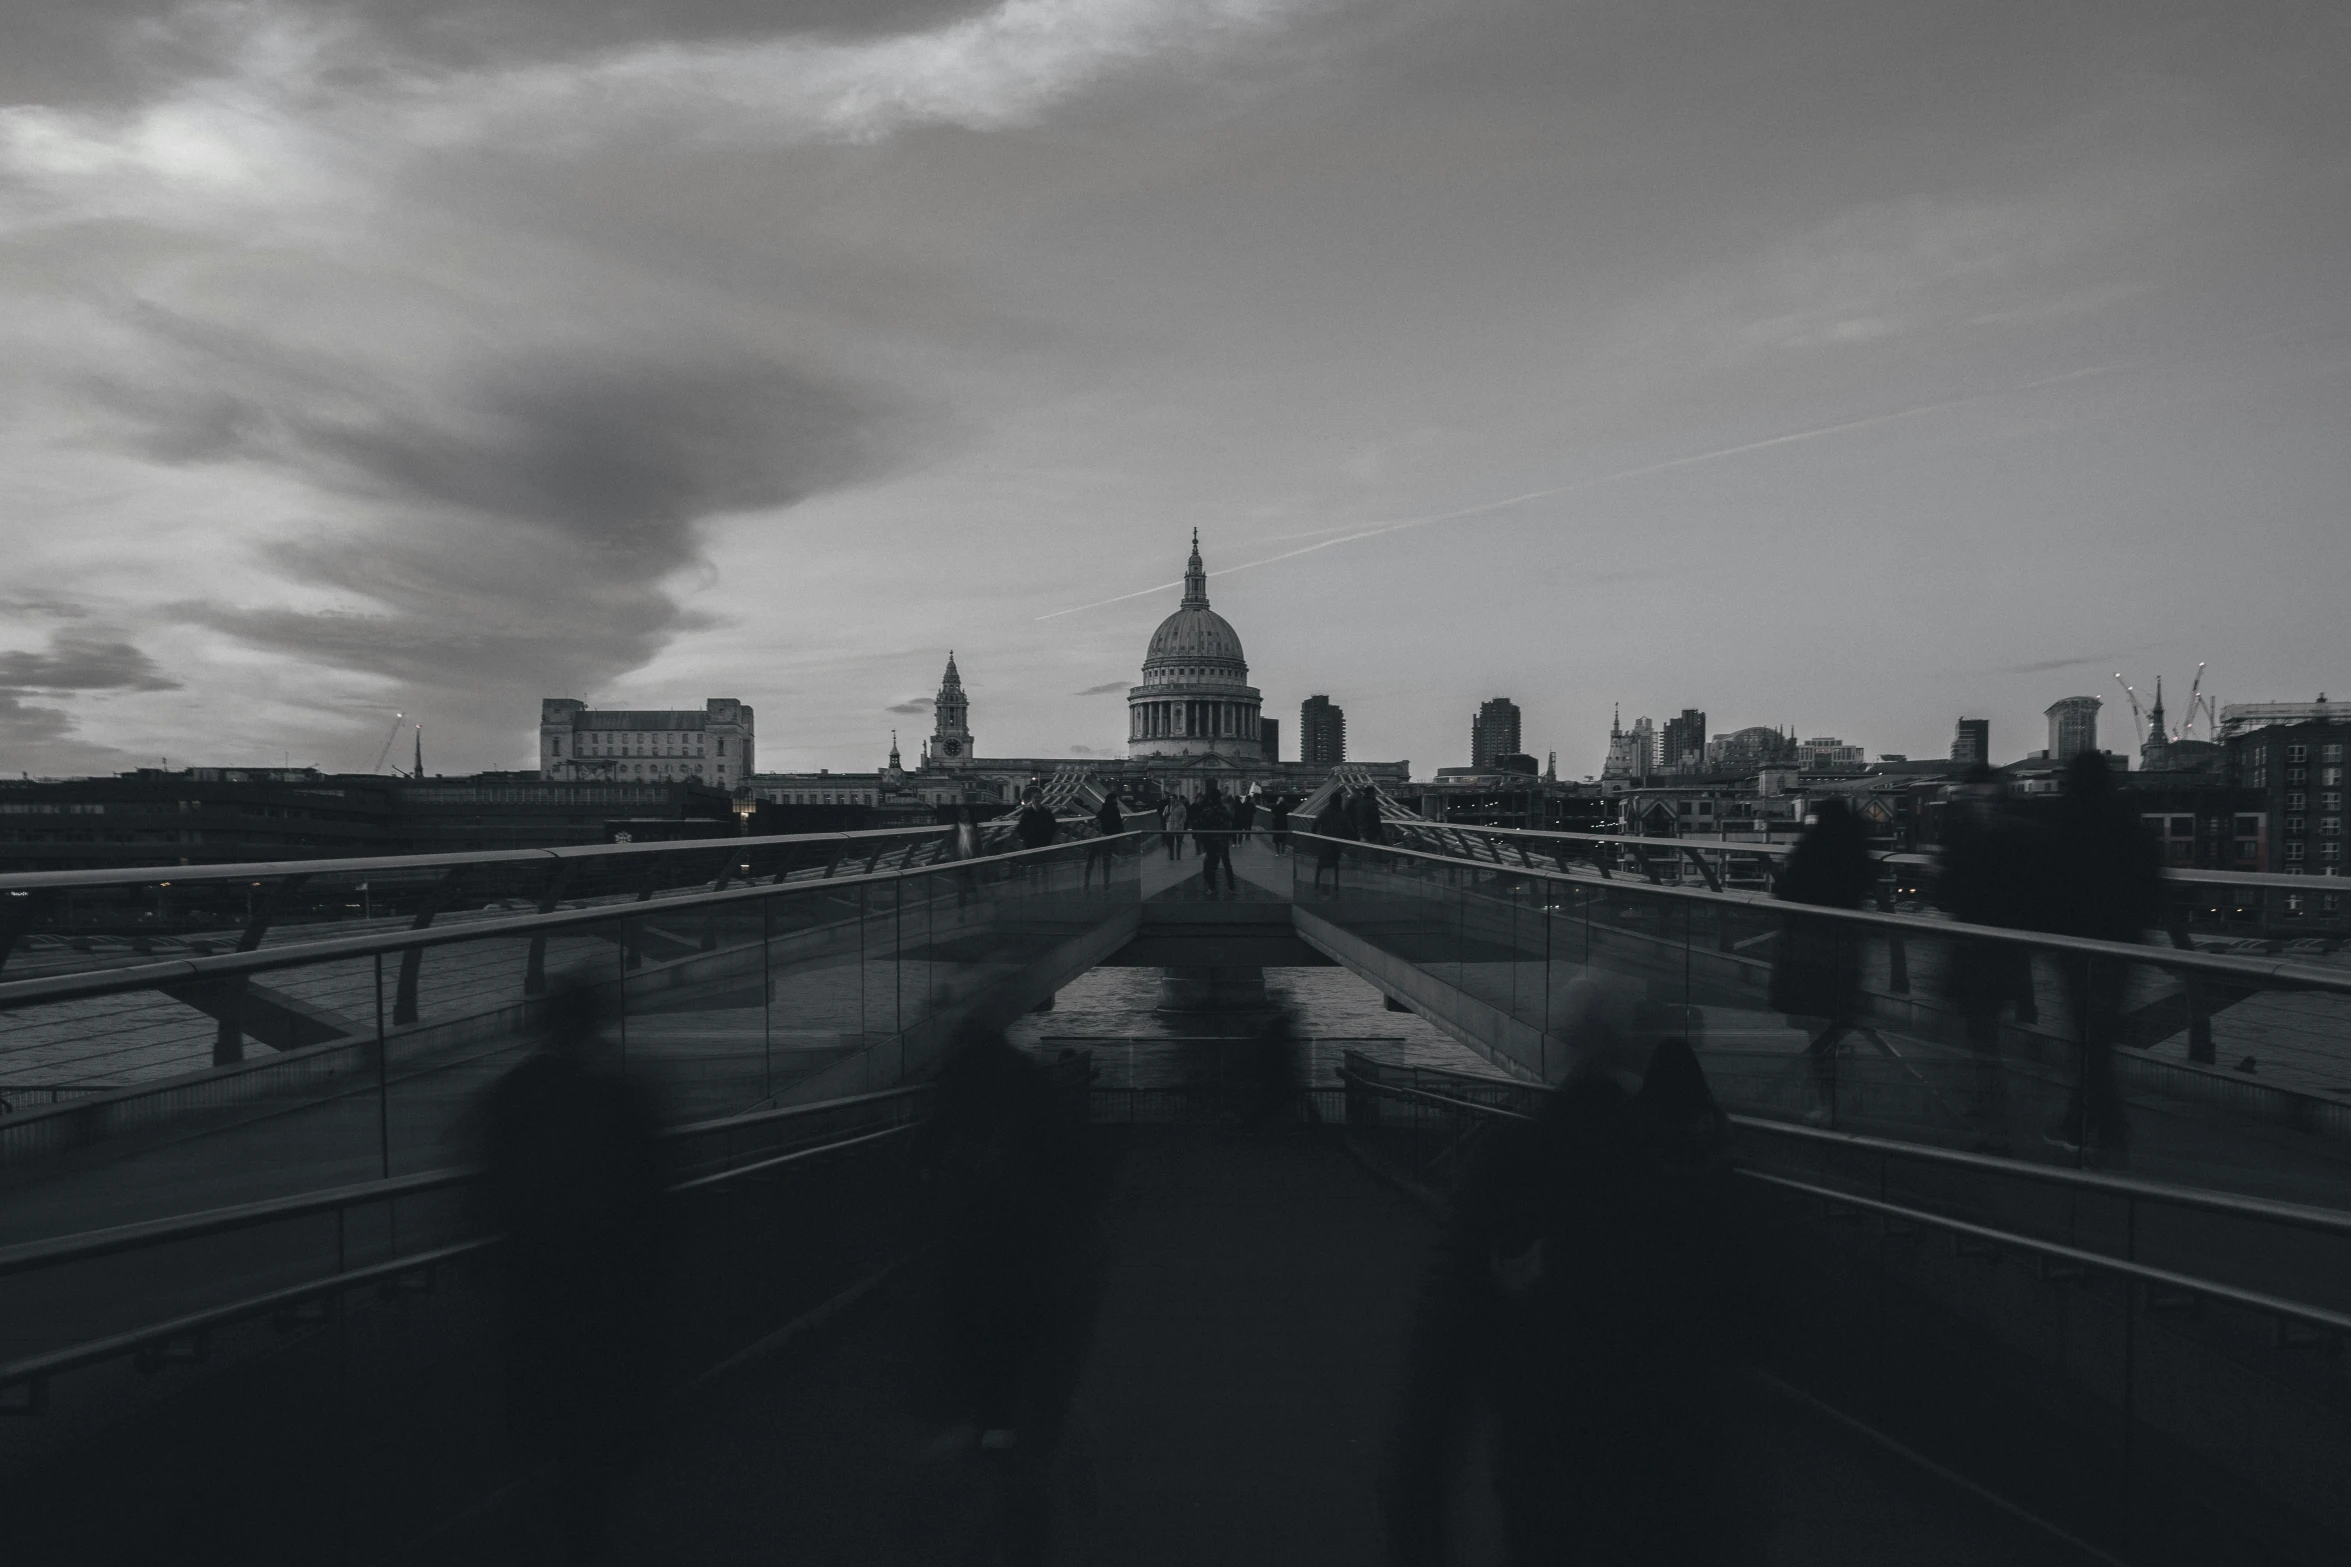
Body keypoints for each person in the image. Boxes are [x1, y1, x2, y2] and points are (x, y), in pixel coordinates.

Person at [1383, 1041, 1747, 1565]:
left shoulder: (1517, 1165)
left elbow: (1447, 1351)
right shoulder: (1676, 1183)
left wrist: (1418, 1499)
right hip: (1660, 1471)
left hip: (1543, 1461)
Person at [481, 981, 670, 1564]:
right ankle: (587, 1534)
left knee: (543, 1431)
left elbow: (484, 1201)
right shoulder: (623, 1096)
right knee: (593, 1440)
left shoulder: (512, 1096)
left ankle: (548, 1527)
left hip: (534, 1294)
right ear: (597, 1023)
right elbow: (656, 1205)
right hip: (604, 1296)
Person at [915, 1024, 1102, 1563]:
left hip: (995, 1300)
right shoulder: (1042, 1118)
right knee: (1031, 1430)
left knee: (1000, 1432)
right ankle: (1044, 1483)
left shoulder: (965, 1132)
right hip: (1049, 1296)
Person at [2045, 749, 2162, 1165]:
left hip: (2076, 947)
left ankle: (2091, 1127)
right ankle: (2096, 1127)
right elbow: (2152, 882)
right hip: (2121, 945)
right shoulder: (2129, 824)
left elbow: (2048, 883)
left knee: (2090, 1038)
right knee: (2099, 1038)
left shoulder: (2062, 823)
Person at [1934, 768, 2049, 1151]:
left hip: (1987, 948)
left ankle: (1993, 1114)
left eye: (1984, 800)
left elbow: (1948, 892)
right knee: (1981, 1032)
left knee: (1980, 1032)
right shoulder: (2018, 834)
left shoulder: (1971, 835)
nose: (1981, 807)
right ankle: (1993, 1107)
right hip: (1991, 948)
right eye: (1975, 800)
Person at [1769, 797, 1885, 1123]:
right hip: (1844, 952)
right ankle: (1837, 1096)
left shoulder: (1811, 852)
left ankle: (1828, 1102)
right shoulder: (1856, 853)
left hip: (1808, 953)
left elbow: (1785, 891)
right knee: (1835, 1020)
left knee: (1817, 1027)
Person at [1310, 787, 1354, 896]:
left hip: (1324, 843)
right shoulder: (1343, 814)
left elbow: (1315, 825)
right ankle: (1334, 887)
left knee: (1321, 866)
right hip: (1337, 845)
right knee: (1334, 866)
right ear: (1339, 801)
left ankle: (1319, 887)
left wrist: (1315, 837)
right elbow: (1350, 830)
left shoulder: (1324, 811)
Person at [1193, 786, 1236, 896]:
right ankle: (1231, 887)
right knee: (1227, 864)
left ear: (1210, 799)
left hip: (1211, 842)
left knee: (1210, 865)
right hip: (1224, 841)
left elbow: (1200, 826)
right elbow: (1231, 820)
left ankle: (1212, 887)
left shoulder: (1207, 811)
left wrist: (1201, 843)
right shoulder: (1224, 810)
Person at [1086, 790, 1124, 892]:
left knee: (1093, 860)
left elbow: (1099, 816)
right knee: (1107, 862)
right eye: (1116, 798)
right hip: (1111, 837)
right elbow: (1118, 822)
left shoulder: (1104, 808)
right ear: (1114, 799)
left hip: (1102, 837)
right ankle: (1106, 885)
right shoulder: (1115, 809)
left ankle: (1087, 885)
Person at [1163, 792, 1188, 860]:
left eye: (1172, 798)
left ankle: (1178, 856)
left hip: (1179, 828)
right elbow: (1163, 815)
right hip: (1170, 828)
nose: (1171, 800)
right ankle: (1171, 856)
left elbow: (1184, 816)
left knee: (1179, 843)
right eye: (1170, 798)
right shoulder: (1167, 806)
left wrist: (1180, 823)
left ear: (1176, 799)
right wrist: (1166, 814)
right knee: (1170, 844)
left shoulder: (1182, 807)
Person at [1267, 792, 1292, 857]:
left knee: (1276, 839)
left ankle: (1278, 852)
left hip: (1277, 824)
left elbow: (1272, 811)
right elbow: (1288, 811)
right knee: (1283, 839)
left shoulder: (1276, 806)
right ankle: (1283, 852)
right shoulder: (1285, 806)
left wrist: (1276, 804)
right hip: (1284, 823)